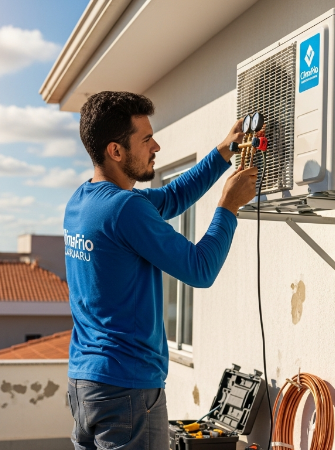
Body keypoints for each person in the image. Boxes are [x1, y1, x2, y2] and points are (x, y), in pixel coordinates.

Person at [63, 91, 258, 450]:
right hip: (127, 391)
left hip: (84, 386)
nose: (157, 146)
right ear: (116, 151)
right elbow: (201, 269)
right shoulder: (125, 209)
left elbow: (171, 198)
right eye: (146, 139)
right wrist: (228, 207)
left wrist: (223, 152)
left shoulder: (82, 201)